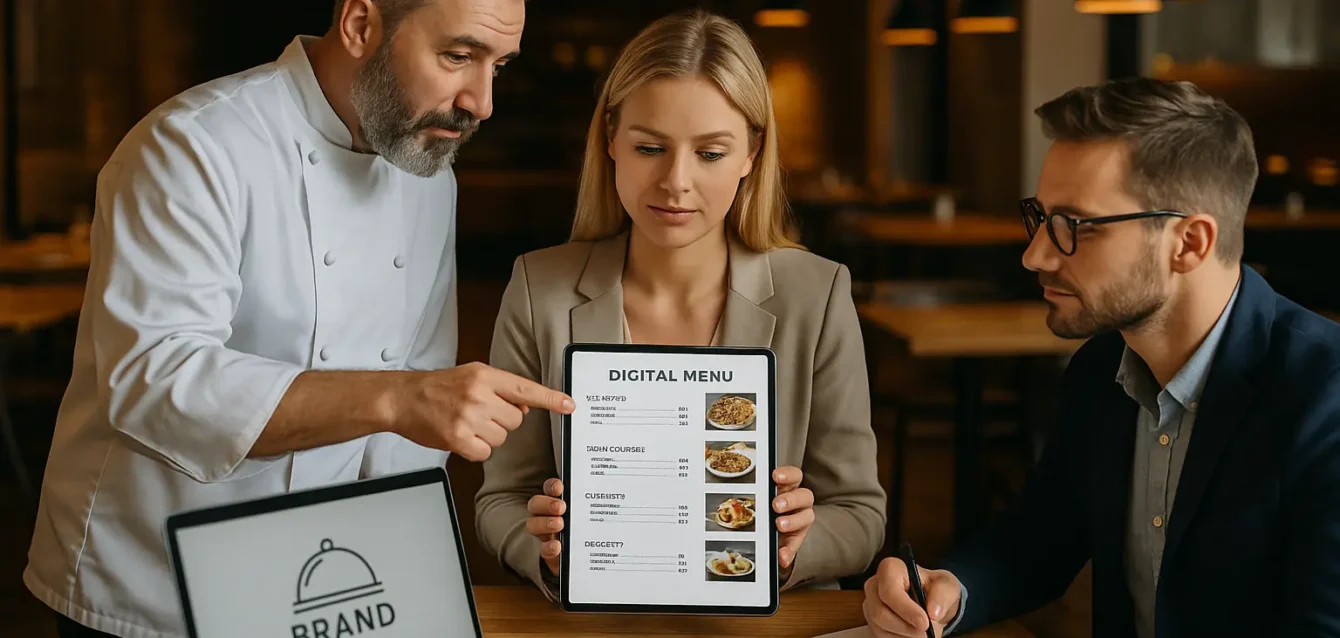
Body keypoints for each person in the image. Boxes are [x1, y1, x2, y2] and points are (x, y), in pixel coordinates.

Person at [24, 1, 575, 636]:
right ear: (361, 25)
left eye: (498, 66)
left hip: (324, 592)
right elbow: (157, 382)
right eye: (458, 56)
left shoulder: (427, 172)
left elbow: (414, 404)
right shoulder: (195, 144)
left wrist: (398, 581)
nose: (482, 102)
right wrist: (398, 398)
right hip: (151, 585)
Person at [862, 76, 1340, 638]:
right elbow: (1042, 535)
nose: (1034, 254)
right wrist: (952, 589)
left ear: (1189, 243)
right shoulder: (1100, 367)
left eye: (1075, 227)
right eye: (1040, 218)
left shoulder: (1323, 400)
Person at [474, 9, 886, 599]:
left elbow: (861, 513)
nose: (675, 181)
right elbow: (501, 498)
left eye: (711, 154)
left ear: (752, 154)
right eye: (650, 147)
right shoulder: (539, 287)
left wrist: (794, 549)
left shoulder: (817, 295)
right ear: (611, 138)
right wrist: (539, 548)